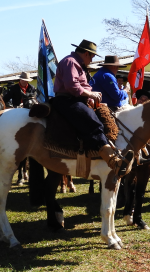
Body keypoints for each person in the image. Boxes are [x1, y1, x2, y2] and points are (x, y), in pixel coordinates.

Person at [53, 39, 133, 177]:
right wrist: (91, 94)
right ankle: (113, 161)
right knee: (93, 122)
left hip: (75, 99)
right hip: (67, 100)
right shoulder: (71, 62)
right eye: (92, 56)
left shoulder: (78, 63)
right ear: (86, 53)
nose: (92, 59)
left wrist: (90, 99)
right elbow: (72, 86)